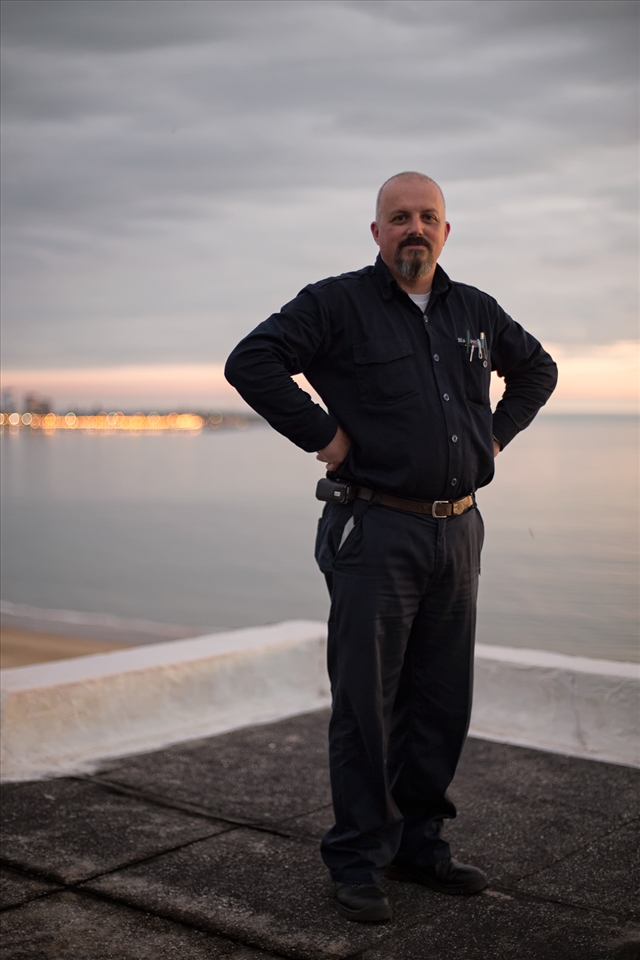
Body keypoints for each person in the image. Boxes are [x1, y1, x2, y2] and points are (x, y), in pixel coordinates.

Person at [225, 172, 557, 923]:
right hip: (375, 526)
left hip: (460, 528)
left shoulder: (476, 310)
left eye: (427, 217)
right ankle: (357, 859)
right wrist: (326, 436)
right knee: (368, 706)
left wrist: (493, 438)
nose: (415, 228)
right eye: (399, 217)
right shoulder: (336, 303)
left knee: (441, 699)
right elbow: (251, 362)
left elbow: (538, 369)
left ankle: (421, 846)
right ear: (375, 232)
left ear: (447, 232)